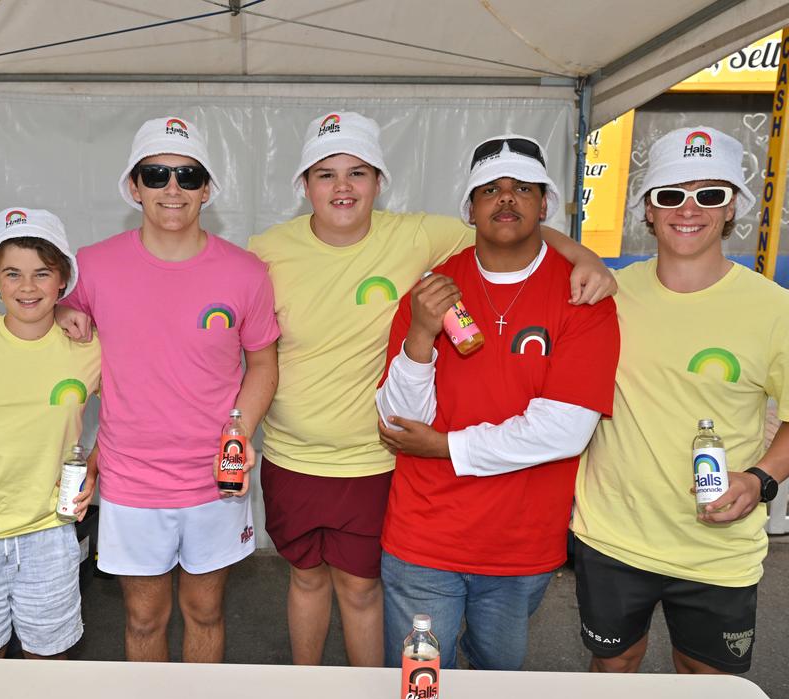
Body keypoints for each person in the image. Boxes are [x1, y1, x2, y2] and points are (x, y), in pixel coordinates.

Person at [247, 112, 617, 667]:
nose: (342, 187)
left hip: (377, 464)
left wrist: (584, 255)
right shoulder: (267, 249)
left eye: (358, 173)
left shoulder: (421, 238)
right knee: (306, 581)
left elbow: (512, 224)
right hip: (301, 459)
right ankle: (318, 698)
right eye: (325, 175)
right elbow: (243, 342)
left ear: (380, 183)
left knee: (370, 597)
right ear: (304, 185)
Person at [375, 135, 620, 670]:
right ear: (470, 208)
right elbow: (399, 421)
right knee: (420, 691)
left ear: (544, 204)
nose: (506, 199)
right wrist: (420, 334)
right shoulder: (432, 289)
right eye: (490, 189)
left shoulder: (584, 294)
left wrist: (445, 447)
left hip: (520, 543)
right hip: (423, 535)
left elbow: (563, 429)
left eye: (522, 188)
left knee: (497, 691)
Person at [57, 116, 280, 662]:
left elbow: (264, 365)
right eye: (156, 175)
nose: (172, 189)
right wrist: (66, 309)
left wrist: (239, 431)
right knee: (142, 618)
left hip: (215, 481)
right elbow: (41, 305)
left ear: (207, 189)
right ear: (134, 187)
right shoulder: (90, 265)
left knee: (206, 612)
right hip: (131, 479)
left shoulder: (245, 272)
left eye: (187, 175)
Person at [572, 126, 789, 675]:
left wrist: (760, 479)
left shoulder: (773, 309)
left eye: (709, 194)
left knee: (707, 691)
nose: (688, 209)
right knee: (612, 674)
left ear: (732, 205)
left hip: (717, 548)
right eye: (670, 194)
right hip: (615, 535)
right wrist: (582, 254)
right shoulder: (610, 293)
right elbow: (526, 233)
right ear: (647, 209)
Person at [0, 207, 101, 660]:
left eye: (42, 273)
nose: (27, 288)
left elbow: (131, 414)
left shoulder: (88, 346)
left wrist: (92, 469)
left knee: (48, 664)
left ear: (62, 280)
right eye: (12, 274)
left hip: (49, 530)